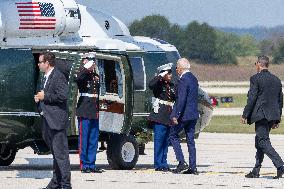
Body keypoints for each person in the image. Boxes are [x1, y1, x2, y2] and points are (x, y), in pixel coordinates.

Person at [241, 56, 284, 179]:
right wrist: (277, 119)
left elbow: (252, 98)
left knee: (262, 141)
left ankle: (280, 165)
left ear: (259, 64)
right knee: (260, 141)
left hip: (261, 115)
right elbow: (280, 101)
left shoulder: (255, 78)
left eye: (256, 63)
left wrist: (245, 114)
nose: (255, 65)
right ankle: (256, 170)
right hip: (272, 116)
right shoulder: (276, 80)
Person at [34, 52, 72, 189]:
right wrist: (39, 100)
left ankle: (66, 185)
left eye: (40, 62)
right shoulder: (46, 77)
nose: (38, 64)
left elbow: (63, 96)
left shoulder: (58, 76)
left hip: (56, 122)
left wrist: (45, 96)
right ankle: (56, 182)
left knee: (61, 156)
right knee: (56, 154)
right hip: (48, 120)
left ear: (47, 63)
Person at [169, 58, 199, 174]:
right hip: (193, 115)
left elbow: (181, 99)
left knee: (173, 135)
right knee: (190, 140)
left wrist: (176, 115)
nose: (176, 70)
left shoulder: (183, 80)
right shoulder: (193, 78)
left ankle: (181, 162)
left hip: (184, 115)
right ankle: (193, 167)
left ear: (180, 68)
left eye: (177, 68)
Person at [74, 53, 103, 173]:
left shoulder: (95, 76)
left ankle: (91, 164)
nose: (93, 63)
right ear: (85, 61)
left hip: (94, 111)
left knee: (93, 139)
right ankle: (84, 165)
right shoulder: (82, 74)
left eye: (93, 61)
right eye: (90, 61)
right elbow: (77, 79)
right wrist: (85, 68)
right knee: (84, 139)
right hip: (85, 110)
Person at [147, 63, 175, 172]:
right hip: (159, 116)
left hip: (168, 116)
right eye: (168, 73)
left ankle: (164, 162)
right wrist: (160, 76)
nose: (170, 75)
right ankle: (158, 164)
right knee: (159, 141)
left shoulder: (171, 86)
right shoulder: (158, 85)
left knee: (165, 142)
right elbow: (151, 85)